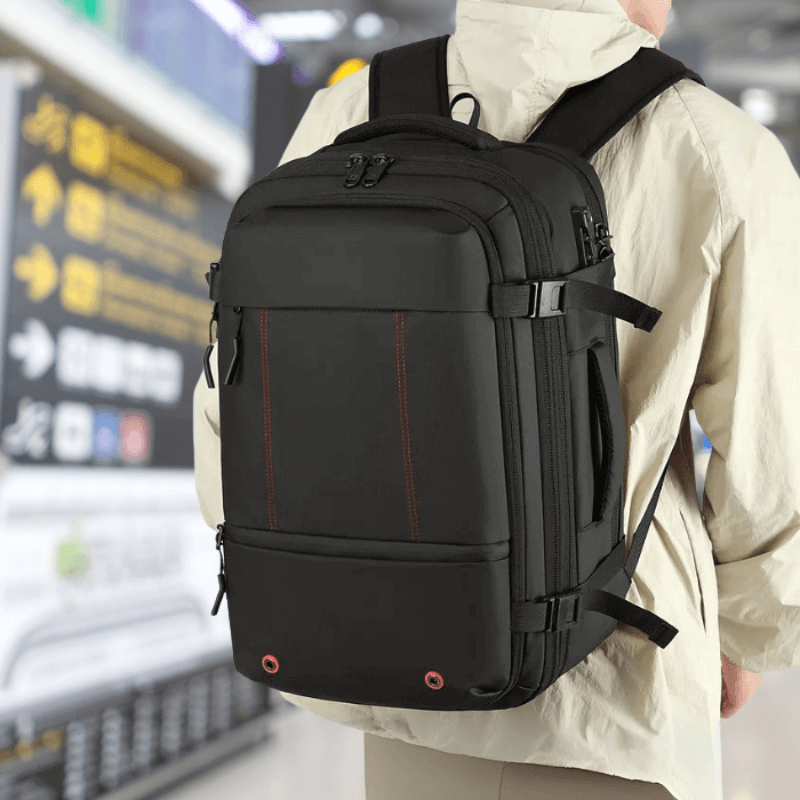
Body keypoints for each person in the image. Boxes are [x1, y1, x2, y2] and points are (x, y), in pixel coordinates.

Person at [193, 0, 799, 798]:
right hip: (611, 688)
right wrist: (752, 635)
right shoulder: (715, 148)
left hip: (394, 673)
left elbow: (231, 392)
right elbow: (774, 452)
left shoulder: (350, 110)